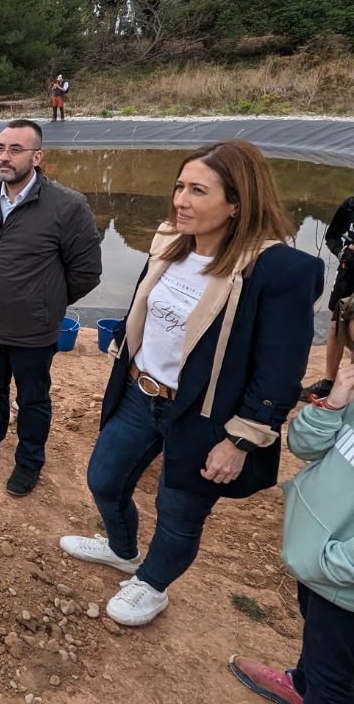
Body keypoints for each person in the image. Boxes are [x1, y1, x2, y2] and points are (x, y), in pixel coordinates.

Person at [59, 139, 325, 627]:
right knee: (104, 479)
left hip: (207, 416)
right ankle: (122, 549)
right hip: (142, 395)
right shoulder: (168, 244)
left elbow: (280, 370)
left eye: (198, 190)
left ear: (237, 201)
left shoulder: (280, 270)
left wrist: (242, 439)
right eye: (179, 186)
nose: (181, 200)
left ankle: (152, 585)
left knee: (179, 511)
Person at [0, 119, 102, 496]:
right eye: (0, 148)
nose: (5, 157)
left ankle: (29, 460)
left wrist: (44, 302)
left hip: (32, 330)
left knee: (33, 399)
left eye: (15, 150)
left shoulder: (67, 206)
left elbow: (86, 272)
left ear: (37, 157)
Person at [229, 357, 354, 704]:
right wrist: (332, 404)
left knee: (333, 682)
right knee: (316, 637)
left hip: (341, 579)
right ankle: (301, 684)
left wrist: (324, 564)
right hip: (316, 556)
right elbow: (303, 446)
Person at [300, 195, 354, 403]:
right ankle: (329, 383)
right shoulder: (349, 206)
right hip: (347, 277)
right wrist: (344, 254)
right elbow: (332, 236)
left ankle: (349, 387)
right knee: (334, 328)